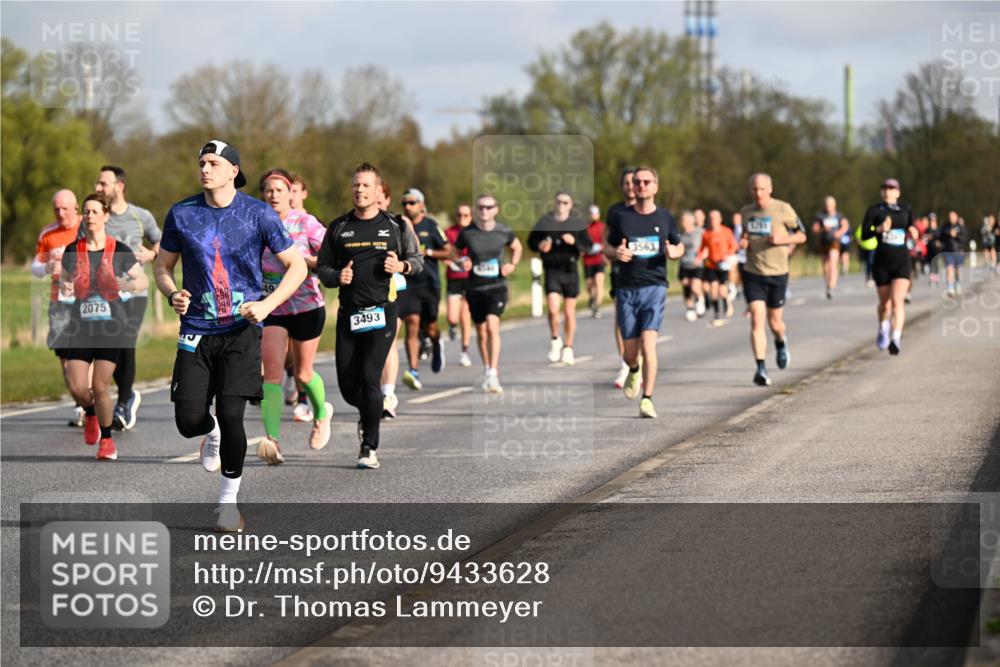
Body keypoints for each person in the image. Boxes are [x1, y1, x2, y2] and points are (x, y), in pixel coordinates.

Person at [155, 140, 307, 533]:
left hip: (241, 329)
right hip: (197, 330)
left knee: (232, 413)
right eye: (201, 162)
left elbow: (297, 268)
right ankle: (210, 433)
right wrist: (173, 293)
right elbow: (162, 267)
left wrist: (268, 305)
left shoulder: (257, 214)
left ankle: (227, 503)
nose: (204, 169)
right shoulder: (182, 213)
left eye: (213, 163)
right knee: (189, 420)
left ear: (233, 171)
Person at [316, 163, 424, 469]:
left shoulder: (396, 226)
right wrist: (338, 276)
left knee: (369, 377)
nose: (360, 190)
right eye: (356, 185)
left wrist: (401, 267)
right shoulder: (338, 227)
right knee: (349, 388)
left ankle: (368, 447)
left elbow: (417, 260)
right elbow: (322, 268)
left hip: (382, 312)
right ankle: (367, 414)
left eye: (366, 185)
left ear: (379, 191)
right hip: (349, 313)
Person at [59, 192, 148, 460]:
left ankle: (107, 440)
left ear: (106, 216)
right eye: (86, 212)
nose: (90, 217)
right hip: (80, 327)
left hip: (112, 328)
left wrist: (127, 285)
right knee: (77, 388)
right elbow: (64, 280)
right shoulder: (73, 250)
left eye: (95, 211)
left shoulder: (118, 249)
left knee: (99, 387)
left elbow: (142, 281)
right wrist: (65, 285)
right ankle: (89, 413)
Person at [255, 168, 333, 464]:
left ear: (291, 193)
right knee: (271, 375)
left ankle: (322, 414)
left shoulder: (305, 223)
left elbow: (329, 257)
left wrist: (304, 263)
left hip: (306, 307)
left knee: (302, 374)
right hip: (272, 307)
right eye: (268, 190)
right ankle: (272, 440)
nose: (274, 195)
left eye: (279, 189)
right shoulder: (257, 225)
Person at [605, 166, 683, 418]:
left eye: (646, 181)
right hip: (627, 288)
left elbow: (679, 246)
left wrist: (674, 253)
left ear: (655, 187)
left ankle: (647, 399)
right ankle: (634, 369)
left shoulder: (665, 217)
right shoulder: (621, 217)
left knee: (649, 344)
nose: (641, 186)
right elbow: (607, 246)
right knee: (630, 353)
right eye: (637, 182)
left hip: (655, 286)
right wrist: (616, 253)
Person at [94, 165, 161, 431]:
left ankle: (123, 402)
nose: (98, 188)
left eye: (103, 184)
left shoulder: (140, 215)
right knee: (112, 346)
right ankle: (127, 395)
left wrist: (152, 255)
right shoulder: (98, 216)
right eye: (98, 184)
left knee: (125, 341)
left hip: (134, 292)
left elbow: (161, 242)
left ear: (119, 186)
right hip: (104, 294)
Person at [739, 173, 807, 387]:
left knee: (775, 323)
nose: (758, 193)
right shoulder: (746, 212)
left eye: (761, 189)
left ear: (770, 189)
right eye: (754, 189)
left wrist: (783, 240)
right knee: (757, 319)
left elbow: (802, 236)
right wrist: (743, 242)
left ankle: (780, 341)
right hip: (753, 272)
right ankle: (760, 367)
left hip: (778, 273)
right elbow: (745, 234)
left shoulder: (783, 209)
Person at [453, 194, 522, 393]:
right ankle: (487, 369)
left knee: (493, 326)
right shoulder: (468, 232)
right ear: (476, 210)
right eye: (481, 207)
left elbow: (517, 247)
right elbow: (455, 252)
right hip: (474, 287)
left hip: (497, 287)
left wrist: (512, 265)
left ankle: (493, 373)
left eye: (489, 207)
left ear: (496, 209)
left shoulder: (503, 231)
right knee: (481, 332)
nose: (484, 211)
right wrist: (462, 262)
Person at [32, 190, 84, 426]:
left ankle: (90, 401)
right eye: (56, 209)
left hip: (86, 300)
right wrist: (46, 268)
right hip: (60, 302)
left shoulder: (88, 224)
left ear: (75, 207)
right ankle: (79, 403)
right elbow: (36, 266)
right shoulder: (48, 233)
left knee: (86, 355)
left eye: (65, 208)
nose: (61, 213)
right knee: (64, 358)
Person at [528, 191, 588, 365]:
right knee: (553, 309)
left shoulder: (576, 223)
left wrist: (574, 242)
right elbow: (531, 242)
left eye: (565, 202)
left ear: (571, 205)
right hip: (552, 270)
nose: (561, 206)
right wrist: (540, 245)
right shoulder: (545, 221)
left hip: (570, 270)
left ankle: (568, 347)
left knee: (569, 312)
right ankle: (555, 340)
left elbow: (588, 246)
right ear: (554, 203)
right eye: (559, 202)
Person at [398, 188, 449, 389]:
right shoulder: (399, 227)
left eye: (412, 202)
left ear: (421, 204)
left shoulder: (431, 225)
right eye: (405, 203)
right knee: (412, 323)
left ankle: (436, 344)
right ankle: (413, 370)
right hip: (408, 283)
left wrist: (429, 252)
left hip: (429, 284)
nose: (408, 207)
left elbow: (448, 251)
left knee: (430, 327)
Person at [860, 178, 918, 355]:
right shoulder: (875, 210)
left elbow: (912, 227)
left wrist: (914, 231)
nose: (888, 191)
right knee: (885, 305)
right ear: (881, 191)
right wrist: (879, 229)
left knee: (897, 301)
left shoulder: (906, 209)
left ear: (898, 192)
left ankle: (896, 338)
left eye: (892, 188)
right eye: (884, 188)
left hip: (901, 260)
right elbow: (864, 235)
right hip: (882, 262)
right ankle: (883, 328)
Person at [375, 180, 409, 419]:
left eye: (380, 199)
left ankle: (388, 394)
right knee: (370, 346)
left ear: (387, 200)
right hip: (366, 292)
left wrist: (399, 265)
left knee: (388, 341)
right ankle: (374, 392)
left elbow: (414, 256)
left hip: (396, 289)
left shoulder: (399, 223)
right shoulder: (353, 224)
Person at [605, 167, 637, 388]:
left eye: (632, 182)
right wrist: (614, 253)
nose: (629, 187)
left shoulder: (647, 209)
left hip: (645, 272)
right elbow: (606, 242)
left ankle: (639, 361)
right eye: (625, 183)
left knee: (642, 320)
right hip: (620, 270)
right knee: (621, 318)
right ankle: (626, 363)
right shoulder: (615, 211)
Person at [445, 204, 474, 367]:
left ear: (471, 217)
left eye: (466, 215)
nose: (463, 218)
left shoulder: (474, 233)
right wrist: (448, 261)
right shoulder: (450, 232)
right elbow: (444, 251)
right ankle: (452, 326)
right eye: (460, 215)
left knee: (466, 316)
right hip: (454, 278)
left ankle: (465, 351)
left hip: (469, 279)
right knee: (453, 317)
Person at [699, 209, 738, 325]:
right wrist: (701, 257)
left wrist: (728, 255)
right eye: (711, 218)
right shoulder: (706, 233)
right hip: (712, 265)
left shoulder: (727, 231)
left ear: (720, 219)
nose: (713, 220)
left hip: (723, 264)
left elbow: (733, 246)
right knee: (713, 290)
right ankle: (717, 313)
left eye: (715, 218)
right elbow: (702, 249)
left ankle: (726, 301)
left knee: (722, 291)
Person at [812, 196, 849, 300]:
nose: (829, 207)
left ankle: (831, 287)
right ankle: (827, 284)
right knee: (825, 265)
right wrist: (823, 229)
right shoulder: (820, 216)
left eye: (830, 205)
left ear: (834, 205)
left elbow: (845, 225)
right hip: (823, 242)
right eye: (827, 205)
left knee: (833, 264)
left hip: (834, 242)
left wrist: (839, 233)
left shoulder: (839, 215)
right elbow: (814, 229)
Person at [677, 211, 704, 322]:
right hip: (684, 264)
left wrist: (701, 257)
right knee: (686, 286)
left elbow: (707, 246)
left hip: (697, 264)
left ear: (691, 221)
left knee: (695, 287)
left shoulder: (700, 232)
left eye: (685, 220)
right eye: (682, 220)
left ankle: (700, 300)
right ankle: (690, 309)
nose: (683, 222)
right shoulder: (680, 235)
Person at [583, 204, 607, 318]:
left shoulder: (603, 226)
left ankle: (597, 307)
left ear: (598, 215)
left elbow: (607, 242)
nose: (593, 216)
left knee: (599, 282)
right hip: (588, 260)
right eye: (591, 214)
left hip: (599, 259)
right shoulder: (585, 228)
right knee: (589, 285)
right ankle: (592, 298)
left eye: (595, 214)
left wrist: (603, 249)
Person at [938, 210, 968, 296]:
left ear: (956, 217)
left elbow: (965, 238)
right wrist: (948, 233)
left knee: (958, 270)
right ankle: (950, 288)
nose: (951, 218)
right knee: (949, 269)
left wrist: (956, 235)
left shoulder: (961, 226)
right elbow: (941, 236)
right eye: (950, 217)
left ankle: (958, 283)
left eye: (953, 216)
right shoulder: (945, 226)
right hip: (948, 251)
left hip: (958, 251)